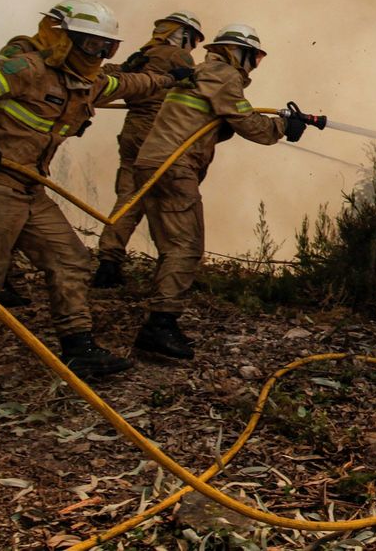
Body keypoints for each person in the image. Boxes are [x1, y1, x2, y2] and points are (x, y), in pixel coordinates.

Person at [0, 0, 190, 406]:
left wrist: (167, 78)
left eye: (106, 48)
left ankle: (79, 348)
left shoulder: (87, 82)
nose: (98, 55)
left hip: (29, 189)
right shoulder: (29, 69)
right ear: (64, 38)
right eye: (91, 44)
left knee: (71, 260)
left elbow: (128, 84)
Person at [130, 24, 309, 360]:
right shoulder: (222, 75)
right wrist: (285, 127)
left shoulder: (201, 74)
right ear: (236, 51)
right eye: (252, 57)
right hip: (174, 168)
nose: (252, 66)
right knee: (186, 247)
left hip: (155, 164)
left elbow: (215, 123)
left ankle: (161, 318)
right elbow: (250, 125)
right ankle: (158, 328)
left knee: (173, 247)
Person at [91, 11, 204, 288]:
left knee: (128, 197)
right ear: (184, 35)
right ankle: (176, 270)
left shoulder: (142, 56)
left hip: (132, 129)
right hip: (158, 131)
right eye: (194, 40)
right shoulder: (177, 57)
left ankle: (108, 262)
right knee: (171, 200)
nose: (194, 48)